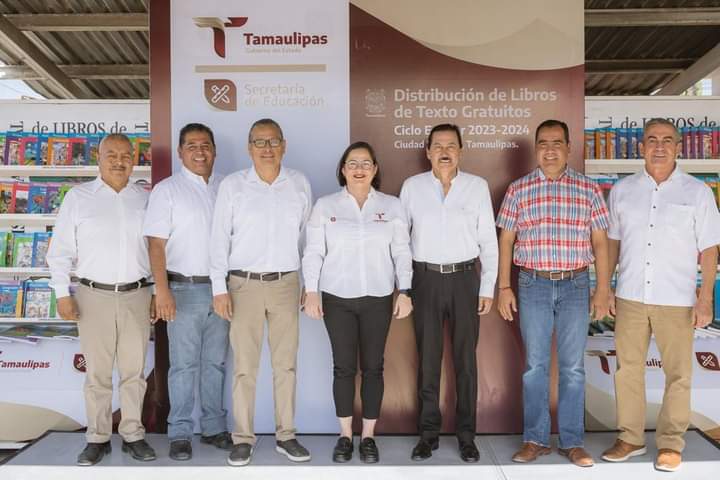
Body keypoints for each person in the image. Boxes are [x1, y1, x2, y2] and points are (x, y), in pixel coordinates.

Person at [601, 118, 720, 472]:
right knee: (627, 370)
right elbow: (612, 243)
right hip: (631, 295)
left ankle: (670, 444)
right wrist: (605, 286)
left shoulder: (697, 192)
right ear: (641, 147)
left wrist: (705, 298)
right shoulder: (622, 191)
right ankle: (630, 438)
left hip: (677, 298)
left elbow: (710, 248)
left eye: (667, 140)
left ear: (679, 147)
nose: (659, 146)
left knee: (678, 374)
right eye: (652, 139)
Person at [496, 119, 610, 468]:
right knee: (535, 366)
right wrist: (504, 287)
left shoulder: (588, 189)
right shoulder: (519, 189)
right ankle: (535, 439)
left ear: (569, 148)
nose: (550, 150)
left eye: (557, 143)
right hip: (533, 284)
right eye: (543, 143)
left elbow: (600, 242)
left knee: (573, 367)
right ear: (536, 149)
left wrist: (603, 288)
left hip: (576, 284)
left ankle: (573, 442)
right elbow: (506, 240)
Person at [47, 133, 156, 466]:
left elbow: (156, 250)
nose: (119, 161)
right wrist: (62, 293)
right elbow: (60, 251)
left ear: (134, 160)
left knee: (134, 372)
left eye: (126, 155)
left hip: (137, 294)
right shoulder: (78, 198)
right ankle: (97, 438)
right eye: (112, 155)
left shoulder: (145, 198)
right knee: (98, 373)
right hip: (93, 296)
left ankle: (133, 434)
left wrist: (155, 291)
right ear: (99, 158)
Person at [210, 118, 313, 466]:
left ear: (284, 145)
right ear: (249, 147)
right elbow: (219, 239)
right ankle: (243, 438)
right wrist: (219, 288)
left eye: (273, 141)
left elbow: (307, 239)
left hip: (286, 283)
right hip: (243, 285)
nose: (267, 148)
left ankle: (286, 435)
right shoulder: (234, 186)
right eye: (259, 142)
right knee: (245, 367)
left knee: (286, 365)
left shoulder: (298, 183)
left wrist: (309, 283)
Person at [302, 141, 413, 463]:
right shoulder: (326, 206)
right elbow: (314, 251)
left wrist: (405, 291)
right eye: (353, 163)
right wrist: (311, 291)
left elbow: (401, 251)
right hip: (337, 298)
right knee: (343, 367)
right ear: (343, 169)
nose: (359, 169)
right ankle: (344, 436)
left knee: (374, 367)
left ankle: (368, 437)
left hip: (378, 297)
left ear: (375, 169)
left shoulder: (392, 206)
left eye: (366, 163)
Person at [399, 123, 498, 463]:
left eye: (451, 145)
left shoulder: (476, 187)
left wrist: (487, 287)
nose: (444, 151)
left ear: (460, 151)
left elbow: (488, 240)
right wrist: (404, 287)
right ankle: (428, 435)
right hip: (425, 279)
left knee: (465, 361)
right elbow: (400, 241)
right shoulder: (412, 187)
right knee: (428, 360)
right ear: (427, 151)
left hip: (464, 280)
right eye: (438, 145)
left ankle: (467, 436)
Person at [143, 123, 231, 461]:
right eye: (191, 145)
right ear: (180, 152)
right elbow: (155, 244)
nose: (199, 151)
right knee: (182, 366)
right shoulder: (167, 190)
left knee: (215, 363)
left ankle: (213, 428)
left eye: (205, 145)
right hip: (183, 288)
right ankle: (180, 432)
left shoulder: (226, 187)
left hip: (221, 289)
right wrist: (161, 290)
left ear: (214, 150)